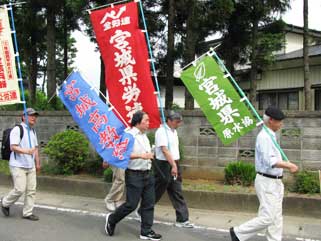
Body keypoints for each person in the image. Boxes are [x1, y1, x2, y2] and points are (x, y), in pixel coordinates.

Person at [230, 106, 299, 241]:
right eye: (279, 121)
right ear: (271, 121)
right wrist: (288, 165)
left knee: (276, 216)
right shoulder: (264, 137)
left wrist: (284, 163)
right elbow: (270, 161)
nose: (281, 124)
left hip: (275, 181)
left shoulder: (271, 135)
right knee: (268, 217)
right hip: (267, 181)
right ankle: (238, 233)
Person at [105, 111, 162, 241]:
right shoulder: (129, 135)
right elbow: (121, 153)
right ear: (138, 121)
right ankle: (112, 219)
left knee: (149, 204)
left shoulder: (144, 136)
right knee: (131, 204)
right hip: (134, 174)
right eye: (146, 120)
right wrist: (142, 156)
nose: (149, 123)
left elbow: (146, 153)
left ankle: (146, 231)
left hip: (147, 173)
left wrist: (149, 154)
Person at [151, 111, 193, 228]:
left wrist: (175, 164)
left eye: (180, 122)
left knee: (176, 190)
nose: (179, 124)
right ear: (169, 120)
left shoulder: (173, 132)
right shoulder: (161, 132)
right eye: (176, 121)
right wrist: (173, 165)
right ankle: (143, 210)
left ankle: (182, 219)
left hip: (174, 162)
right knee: (157, 190)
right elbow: (164, 150)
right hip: (164, 164)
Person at [1, 108, 41, 221]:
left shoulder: (33, 131)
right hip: (18, 165)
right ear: (24, 117)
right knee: (19, 189)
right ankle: (5, 202)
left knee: (31, 190)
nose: (34, 117)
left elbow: (36, 148)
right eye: (31, 115)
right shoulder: (17, 129)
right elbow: (13, 147)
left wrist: (37, 163)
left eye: (35, 116)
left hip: (30, 165)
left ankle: (27, 212)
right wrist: (26, 151)